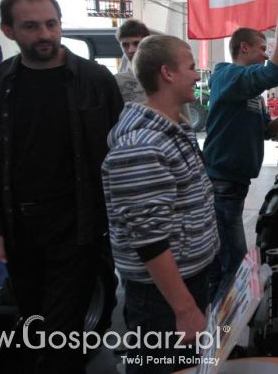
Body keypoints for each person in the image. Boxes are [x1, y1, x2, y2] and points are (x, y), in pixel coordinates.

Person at [0, 0, 123, 374]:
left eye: (51, 24)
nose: (45, 34)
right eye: (31, 27)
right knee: (34, 325)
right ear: (8, 30)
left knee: (60, 340)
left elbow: (120, 153)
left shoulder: (95, 80)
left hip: (79, 232)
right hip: (20, 233)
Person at [102, 35, 218, 374]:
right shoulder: (143, 147)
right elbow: (149, 240)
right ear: (167, 73)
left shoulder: (172, 132)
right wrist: (184, 308)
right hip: (163, 299)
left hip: (185, 284)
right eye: (192, 67)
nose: (197, 76)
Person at [203, 0, 278, 299]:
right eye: (262, 48)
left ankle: (216, 323)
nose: (265, 54)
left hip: (236, 184)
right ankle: (220, 334)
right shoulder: (227, 77)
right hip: (222, 184)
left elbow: (267, 130)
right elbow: (274, 73)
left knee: (226, 260)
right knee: (233, 262)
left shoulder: (250, 95)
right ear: (243, 48)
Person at [114, 19, 151, 103]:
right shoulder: (116, 81)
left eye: (136, 43)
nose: (131, 50)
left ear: (147, 43)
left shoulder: (163, 75)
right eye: (125, 45)